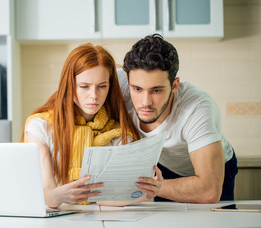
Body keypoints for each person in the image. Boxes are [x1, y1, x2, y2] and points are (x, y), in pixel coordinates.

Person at [21, 43, 163, 208]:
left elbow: (110, 198)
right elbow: (45, 192)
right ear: (69, 85)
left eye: (102, 86)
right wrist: (59, 196)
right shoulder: (40, 127)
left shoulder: (120, 134)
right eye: (84, 86)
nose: (94, 96)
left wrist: (147, 192)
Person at [118, 34, 238, 203]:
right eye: (137, 89)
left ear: (174, 85)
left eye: (156, 90)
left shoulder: (196, 108)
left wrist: (157, 187)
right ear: (128, 80)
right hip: (164, 167)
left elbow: (209, 190)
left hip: (211, 174)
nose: (145, 102)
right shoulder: (121, 83)